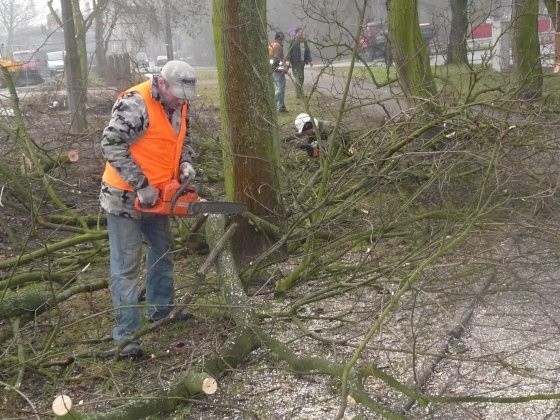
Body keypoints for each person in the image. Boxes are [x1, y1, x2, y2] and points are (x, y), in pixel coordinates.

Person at [99, 60, 197, 358]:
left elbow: (183, 140)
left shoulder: (179, 105)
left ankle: (162, 309)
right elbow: (111, 143)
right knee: (126, 267)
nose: (181, 99)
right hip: (125, 196)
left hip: (159, 196)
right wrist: (141, 184)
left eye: (185, 95)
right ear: (162, 83)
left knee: (162, 250)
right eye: (177, 93)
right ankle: (127, 337)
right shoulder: (136, 102)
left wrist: (185, 163)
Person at [286, 28, 312, 99]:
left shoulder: (304, 42)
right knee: (298, 77)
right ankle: (300, 94)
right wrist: (288, 61)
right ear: (296, 34)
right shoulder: (293, 42)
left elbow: (307, 51)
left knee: (301, 78)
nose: (301, 33)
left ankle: (298, 94)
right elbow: (289, 51)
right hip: (295, 62)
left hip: (302, 63)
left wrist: (309, 61)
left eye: (302, 32)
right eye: (299, 32)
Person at [269, 31, 290, 112]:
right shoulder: (279, 47)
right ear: (280, 39)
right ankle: (271, 104)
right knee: (280, 90)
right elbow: (277, 60)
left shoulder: (271, 45)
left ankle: (281, 107)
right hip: (278, 71)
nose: (283, 41)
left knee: (278, 88)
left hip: (273, 70)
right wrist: (284, 68)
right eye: (282, 39)